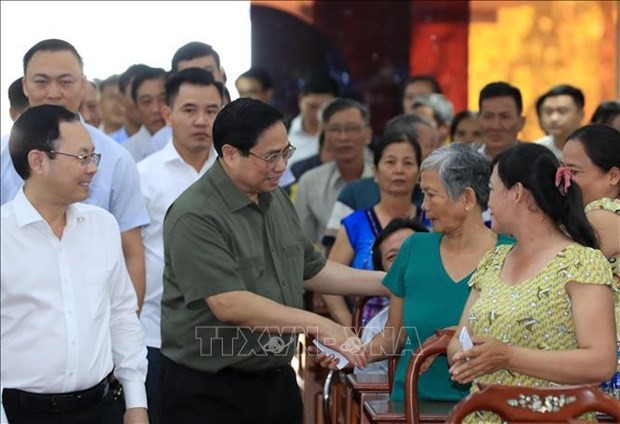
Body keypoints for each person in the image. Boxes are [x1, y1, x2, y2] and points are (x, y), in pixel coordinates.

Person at [158, 98, 387, 423]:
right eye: (270, 157)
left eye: (286, 153)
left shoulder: (276, 197)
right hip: (208, 391)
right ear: (230, 153)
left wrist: (387, 282)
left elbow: (311, 268)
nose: (281, 166)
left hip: (274, 382)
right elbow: (229, 303)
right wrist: (320, 325)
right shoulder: (195, 215)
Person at [319, 143, 513, 403]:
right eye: (423, 194)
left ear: (467, 199)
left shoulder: (510, 254)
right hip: (411, 404)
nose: (423, 206)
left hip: (489, 408)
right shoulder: (414, 249)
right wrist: (350, 353)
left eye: (431, 195)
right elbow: (394, 336)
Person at [447, 143, 617, 423]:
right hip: (482, 415)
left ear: (516, 193)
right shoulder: (494, 260)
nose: (485, 202)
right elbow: (457, 343)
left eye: (491, 189)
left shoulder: (581, 263)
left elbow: (601, 362)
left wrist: (509, 356)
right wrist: (470, 356)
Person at [1, 104, 148, 424]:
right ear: (38, 160)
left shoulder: (103, 226)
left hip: (100, 408)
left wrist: (136, 403)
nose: (93, 168)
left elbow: (121, 314)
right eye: (82, 157)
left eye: (94, 157)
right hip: (22, 413)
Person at [0, 39, 149, 309]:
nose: (53, 93)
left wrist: (124, 336)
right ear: (25, 86)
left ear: (83, 85)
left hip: (91, 318)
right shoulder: (2, 154)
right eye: (41, 82)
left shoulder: (116, 160)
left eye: (66, 82)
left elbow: (131, 254)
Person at [137, 68, 224, 424]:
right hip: (157, 335)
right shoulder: (142, 176)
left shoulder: (237, 175)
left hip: (226, 338)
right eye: (189, 110)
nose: (201, 120)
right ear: (167, 113)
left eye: (212, 110)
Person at [322, 132, 423, 327]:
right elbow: (328, 284)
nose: (399, 170)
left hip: (421, 333)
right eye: (390, 162)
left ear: (419, 174)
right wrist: (351, 329)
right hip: (366, 334)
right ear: (375, 172)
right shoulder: (355, 224)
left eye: (408, 163)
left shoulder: (432, 220)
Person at [561, 124, 620, 396]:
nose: (563, 180)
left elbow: (554, 272)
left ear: (613, 176)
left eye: (573, 172)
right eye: (561, 169)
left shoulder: (602, 215)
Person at [294, 98, 374, 246]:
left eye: (352, 128)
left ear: (368, 134)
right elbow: (301, 245)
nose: (343, 137)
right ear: (325, 136)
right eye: (335, 129)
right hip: (329, 266)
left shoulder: (383, 178)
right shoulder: (310, 182)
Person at [287, 73, 339, 167]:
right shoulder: (284, 131)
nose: (318, 114)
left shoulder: (343, 137)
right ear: (300, 100)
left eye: (325, 108)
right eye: (312, 107)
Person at [123, 66, 167, 162]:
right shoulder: (125, 154)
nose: (156, 109)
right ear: (136, 106)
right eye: (146, 101)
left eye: (163, 99)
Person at [477, 81, 525, 159]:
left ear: (521, 122)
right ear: (478, 119)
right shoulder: (463, 163)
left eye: (505, 117)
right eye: (488, 117)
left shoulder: (536, 163)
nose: (496, 126)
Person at [535, 84, 585, 158]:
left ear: (581, 114)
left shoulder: (595, 147)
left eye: (562, 111)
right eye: (548, 112)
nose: (554, 118)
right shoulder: (536, 151)